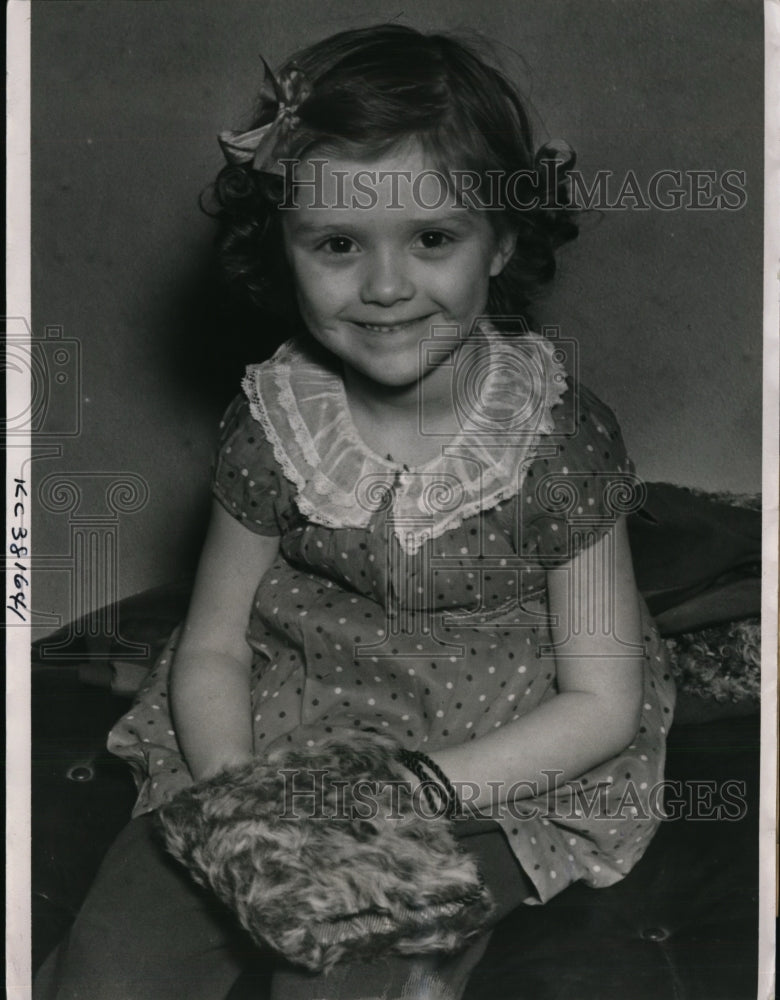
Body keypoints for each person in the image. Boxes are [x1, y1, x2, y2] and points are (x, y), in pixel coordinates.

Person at [34, 23, 675, 1000]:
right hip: (290, 729)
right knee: (103, 973)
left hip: (488, 751)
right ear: (282, 242)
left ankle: (425, 955)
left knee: (334, 978)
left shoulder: (556, 440)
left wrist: (411, 792)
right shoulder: (271, 423)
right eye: (337, 243)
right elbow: (212, 647)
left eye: (432, 238)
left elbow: (602, 703)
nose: (383, 288)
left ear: (500, 239)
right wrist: (239, 798)